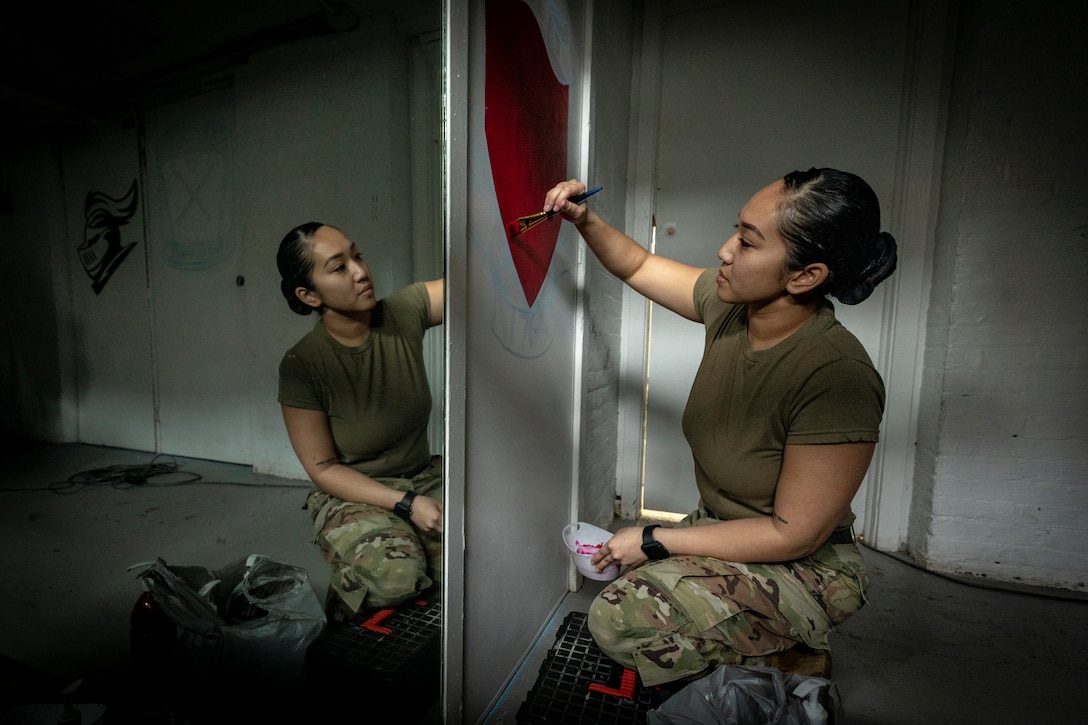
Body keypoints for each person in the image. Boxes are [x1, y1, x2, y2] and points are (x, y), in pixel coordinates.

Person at [542, 168, 897, 687]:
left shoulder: (836, 376)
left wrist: (656, 538)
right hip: (726, 526)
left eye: (748, 243)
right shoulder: (734, 307)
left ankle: (791, 657)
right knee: (632, 571)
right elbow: (638, 264)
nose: (725, 250)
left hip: (806, 565)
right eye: (737, 231)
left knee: (617, 614)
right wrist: (584, 219)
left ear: (805, 276)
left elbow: (792, 534)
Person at [276, 221, 444, 621]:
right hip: (353, 493)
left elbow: (475, 283)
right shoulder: (303, 364)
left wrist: (536, 217)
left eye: (357, 255)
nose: (360, 271)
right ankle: (343, 621)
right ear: (308, 294)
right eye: (338, 267)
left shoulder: (403, 312)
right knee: (396, 576)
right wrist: (406, 504)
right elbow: (323, 469)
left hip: (422, 474)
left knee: (489, 549)